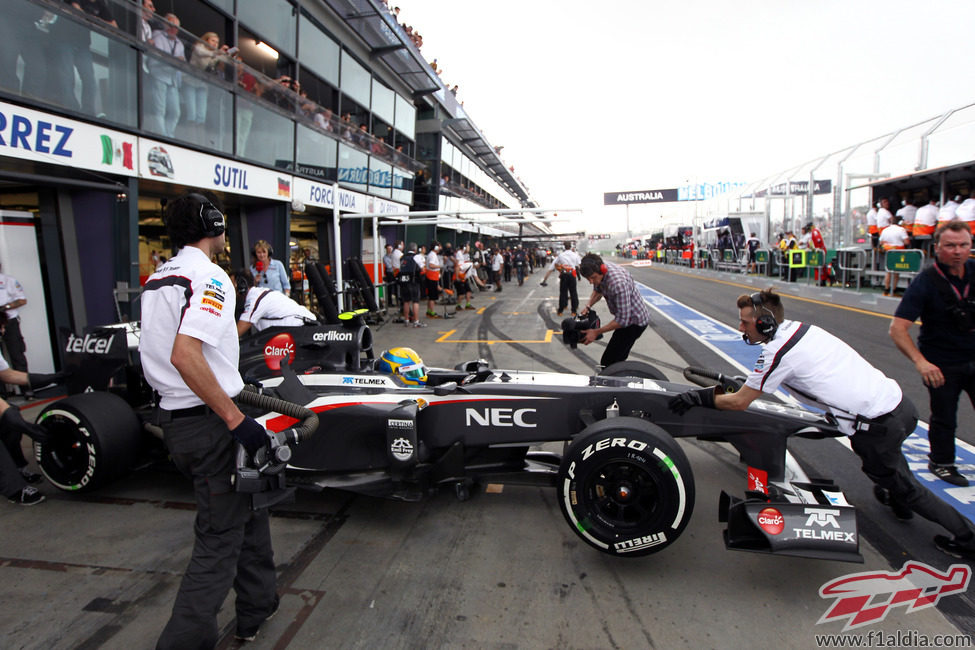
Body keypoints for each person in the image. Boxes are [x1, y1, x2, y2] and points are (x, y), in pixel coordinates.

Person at [669, 288, 975, 560]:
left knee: (899, 482)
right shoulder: (805, 330)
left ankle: (966, 537)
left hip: (877, 427)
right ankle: (894, 491)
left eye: (746, 322)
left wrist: (700, 398)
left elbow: (739, 402)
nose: (741, 327)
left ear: (765, 324)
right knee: (887, 468)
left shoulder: (778, 352)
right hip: (901, 407)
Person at [140, 192, 279, 646]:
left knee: (247, 512)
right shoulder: (211, 277)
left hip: (179, 423)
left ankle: (257, 608)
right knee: (218, 540)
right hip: (211, 423)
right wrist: (238, 420)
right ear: (215, 225)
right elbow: (186, 355)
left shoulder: (158, 278)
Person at [890, 220, 975, 487]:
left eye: (963, 245)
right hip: (941, 363)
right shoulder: (926, 281)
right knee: (944, 415)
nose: (958, 251)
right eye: (950, 246)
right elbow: (898, 329)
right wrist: (921, 362)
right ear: (936, 247)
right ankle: (942, 462)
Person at [578, 253, 651, 367]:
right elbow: (598, 290)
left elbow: (623, 321)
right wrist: (588, 306)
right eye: (588, 279)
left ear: (602, 269)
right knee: (615, 359)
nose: (591, 282)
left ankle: (620, 380)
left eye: (593, 278)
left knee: (610, 362)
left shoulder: (617, 283)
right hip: (626, 318)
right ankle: (620, 376)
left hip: (634, 322)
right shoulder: (601, 269)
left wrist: (596, 332)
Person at [232, 269, 317, 335]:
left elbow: (238, 331)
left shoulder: (255, 298)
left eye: (231, 284)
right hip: (300, 328)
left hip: (301, 328)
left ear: (241, 285)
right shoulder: (258, 293)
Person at [147, 14, 186, 138]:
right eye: (171, 25)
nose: (173, 29)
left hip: (173, 80)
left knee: (175, 112)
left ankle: (169, 134)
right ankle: (161, 135)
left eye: (176, 27)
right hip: (159, 75)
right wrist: (175, 60)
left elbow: (183, 64)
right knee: (160, 109)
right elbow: (157, 57)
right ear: (165, 24)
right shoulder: (158, 36)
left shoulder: (179, 43)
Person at [0, 264, 28, 376]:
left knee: (17, 355)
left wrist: (4, 307)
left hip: (9, 321)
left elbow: (22, 300)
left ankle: (26, 389)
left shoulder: (8, 280)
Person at [878, 215, 910, 296]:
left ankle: (886, 290)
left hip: (889, 252)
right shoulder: (901, 230)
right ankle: (893, 290)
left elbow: (881, 242)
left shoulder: (885, 230)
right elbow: (907, 242)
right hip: (898, 252)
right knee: (896, 272)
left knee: (888, 271)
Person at [548, 242, 581, 315]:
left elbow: (555, 264)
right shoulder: (575, 255)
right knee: (573, 292)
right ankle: (574, 311)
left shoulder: (561, 255)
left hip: (564, 274)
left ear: (564, 247)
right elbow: (578, 264)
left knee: (563, 292)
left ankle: (560, 311)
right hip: (572, 274)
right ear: (570, 246)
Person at [398, 242, 424, 328]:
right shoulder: (417, 257)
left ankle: (406, 320)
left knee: (406, 301)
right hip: (413, 281)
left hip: (404, 281)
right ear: (415, 249)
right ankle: (416, 321)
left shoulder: (402, 258)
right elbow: (422, 269)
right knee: (415, 301)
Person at [424, 241, 442, 318]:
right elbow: (431, 265)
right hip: (432, 277)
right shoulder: (432, 255)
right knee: (432, 296)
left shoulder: (432, 254)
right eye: (438, 247)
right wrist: (439, 266)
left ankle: (429, 311)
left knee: (430, 296)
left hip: (432, 277)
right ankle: (432, 312)